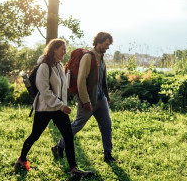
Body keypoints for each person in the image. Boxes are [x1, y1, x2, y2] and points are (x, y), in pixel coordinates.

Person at [15, 39, 90, 177]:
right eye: (62, 48)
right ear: (54, 49)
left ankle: (73, 169)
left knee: (68, 136)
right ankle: (21, 160)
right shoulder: (44, 67)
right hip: (44, 108)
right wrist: (61, 105)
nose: (65, 51)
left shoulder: (59, 66)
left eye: (65, 48)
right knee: (35, 136)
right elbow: (45, 91)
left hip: (58, 108)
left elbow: (62, 89)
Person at [52, 32, 115, 162]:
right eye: (106, 44)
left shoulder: (101, 58)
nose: (108, 47)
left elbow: (102, 80)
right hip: (89, 99)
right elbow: (81, 81)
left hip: (101, 98)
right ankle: (59, 146)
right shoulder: (88, 57)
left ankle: (108, 154)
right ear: (98, 42)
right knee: (77, 124)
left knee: (106, 125)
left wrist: (106, 96)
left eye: (109, 44)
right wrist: (85, 101)